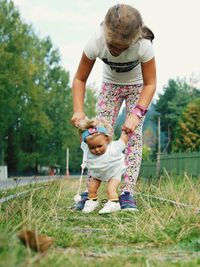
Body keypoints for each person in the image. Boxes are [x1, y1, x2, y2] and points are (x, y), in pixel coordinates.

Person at [71, 4, 156, 211]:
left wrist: (137, 113)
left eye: (121, 48)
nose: (115, 51)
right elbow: (80, 79)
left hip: (138, 87)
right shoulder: (96, 41)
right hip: (111, 86)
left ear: (134, 40)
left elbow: (150, 83)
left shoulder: (143, 45)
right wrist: (78, 110)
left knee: (131, 137)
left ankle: (127, 192)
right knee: (97, 135)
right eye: (112, 45)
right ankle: (91, 194)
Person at [77, 117, 129, 214]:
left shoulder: (113, 148)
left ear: (106, 139)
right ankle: (92, 201)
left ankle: (114, 203)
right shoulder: (86, 148)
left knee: (110, 188)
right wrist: (80, 126)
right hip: (98, 174)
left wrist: (126, 130)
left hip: (114, 172)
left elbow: (123, 140)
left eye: (99, 146)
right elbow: (82, 137)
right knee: (91, 188)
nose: (96, 150)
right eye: (92, 147)